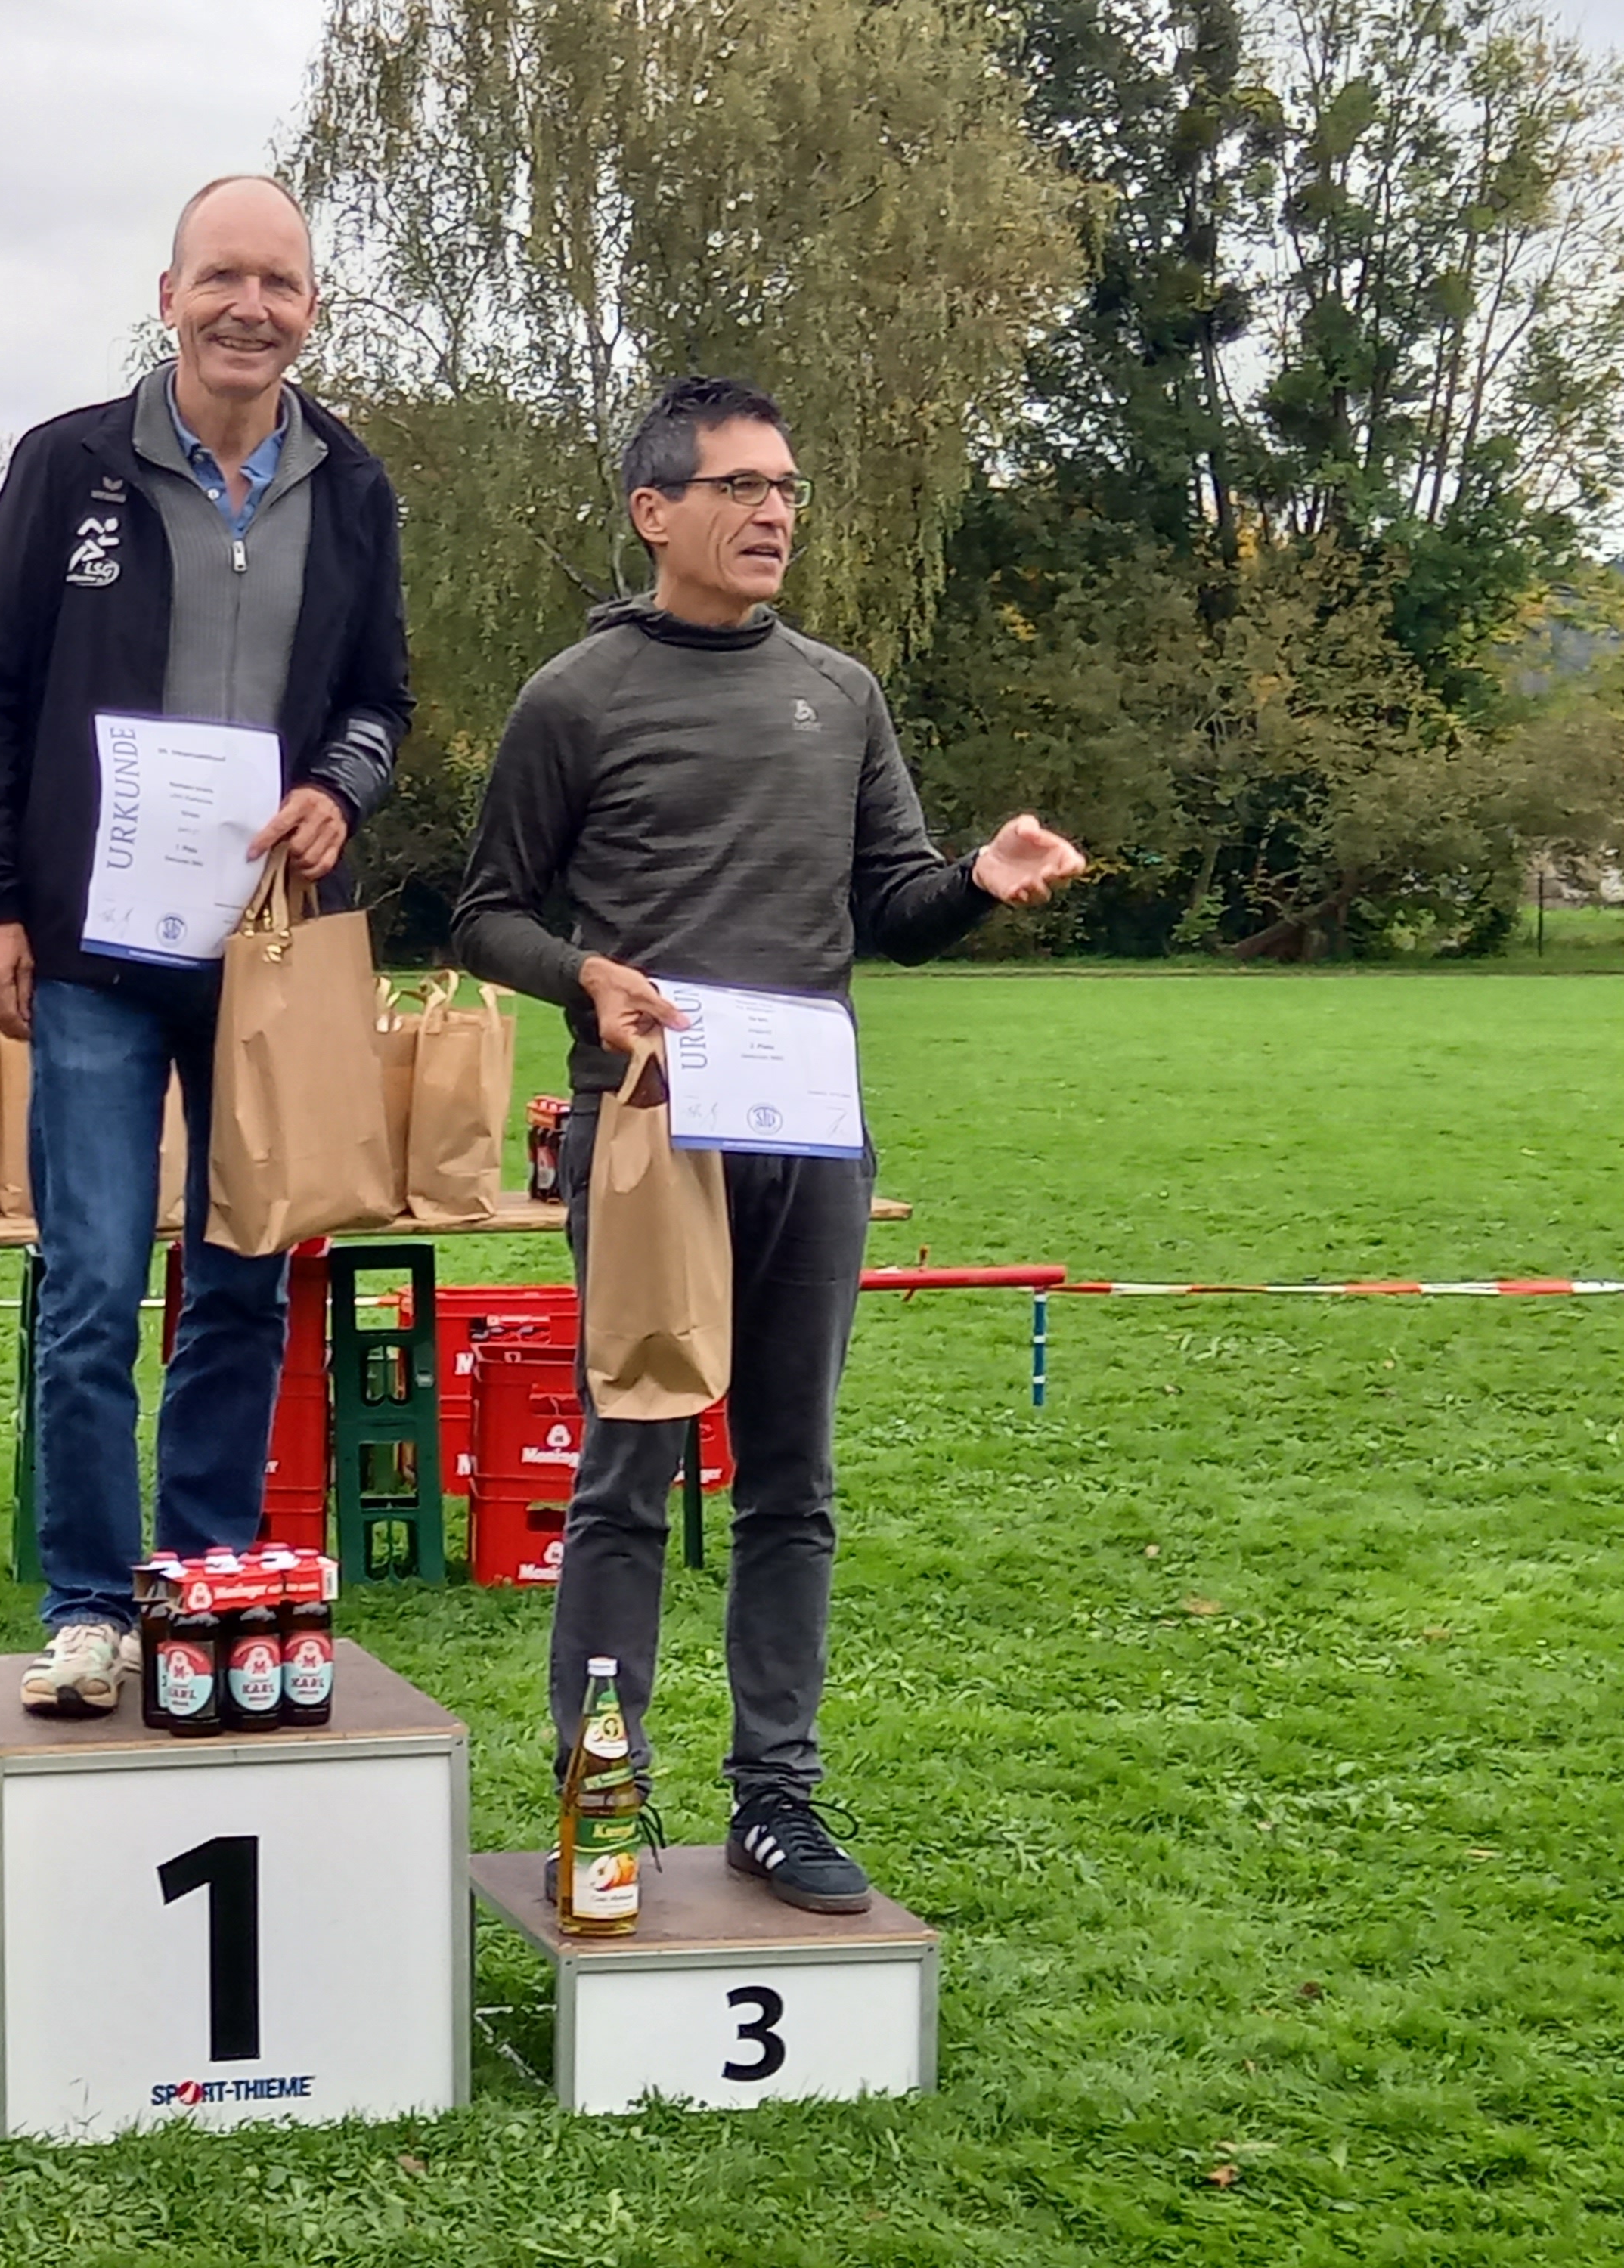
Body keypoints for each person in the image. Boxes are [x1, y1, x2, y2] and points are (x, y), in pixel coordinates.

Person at [451, 375, 1083, 1911]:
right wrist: (582, 978)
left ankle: (775, 1801)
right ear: (653, 510)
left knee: (789, 1481)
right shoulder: (574, 697)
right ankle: (600, 1796)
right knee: (627, 1473)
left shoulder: (838, 692)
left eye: (787, 488)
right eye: (740, 486)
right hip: (649, 1134)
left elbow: (892, 909)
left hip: (811, 1131)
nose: (774, 513)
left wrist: (976, 881)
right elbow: (483, 914)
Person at [0, 174, 413, 1716]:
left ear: (311, 309)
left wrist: (338, 789)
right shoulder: (66, 464)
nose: (247, 309)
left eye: (277, 283)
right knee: (87, 1285)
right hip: (88, 950)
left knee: (242, 1281)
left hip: (268, 957)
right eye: (221, 278)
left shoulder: (353, 486)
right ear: (168, 296)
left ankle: (200, 1587)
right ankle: (87, 1606)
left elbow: (380, 701)